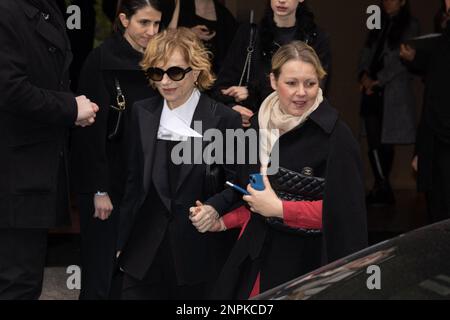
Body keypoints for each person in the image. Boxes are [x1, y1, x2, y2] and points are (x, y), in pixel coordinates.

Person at [192, 41, 367, 299]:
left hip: (310, 266)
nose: (301, 92)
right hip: (256, 259)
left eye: (310, 83)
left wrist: (281, 209)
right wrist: (222, 221)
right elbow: (252, 198)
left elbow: (344, 215)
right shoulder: (257, 127)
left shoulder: (336, 136)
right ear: (273, 81)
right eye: (292, 83)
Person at [116, 27, 242, 300]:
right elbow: (134, 183)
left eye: (175, 72)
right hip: (144, 252)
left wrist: (214, 207)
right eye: (156, 72)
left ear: (196, 73)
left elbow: (240, 184)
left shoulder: (223, 120)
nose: (165, 81)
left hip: (199, 255)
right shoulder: (142, 112)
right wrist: (121, 241)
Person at [0, 0, 98, 299]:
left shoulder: (46, 7)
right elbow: (9, 88)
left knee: (23, 278)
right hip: (15, 171)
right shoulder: (7, 10)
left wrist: (73, 109)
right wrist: (69, 108)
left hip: (32, 166)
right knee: (18, 282)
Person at [70, 0, 164, 300]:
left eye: (157, 24)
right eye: (143, 23)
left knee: (132, 275)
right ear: (124, 20)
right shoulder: (100, 60)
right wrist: (98, 189)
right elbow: (88, 132)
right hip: (106, 183)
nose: (151, 31)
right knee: (100, 271)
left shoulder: (159, 63)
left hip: (140, 182)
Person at [212, 0, 331, 128]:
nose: (281, 0)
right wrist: (234, 108)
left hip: (297, 129)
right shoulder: (249, 35)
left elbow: (316, 91)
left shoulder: (315, 40)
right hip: (253, 129)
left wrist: (251, 93)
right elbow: (221, 88)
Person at [358, 0, 419, 206]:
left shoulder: (410, 24)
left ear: (402, 2)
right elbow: (367, 48)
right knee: (373, 136)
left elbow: (402, 59)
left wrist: (378, 80)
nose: (387, 2)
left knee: (386, 139)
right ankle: (381, 186)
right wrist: (364, 75)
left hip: (392, 90)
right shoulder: (376, 18)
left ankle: (382, 189)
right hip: (370, 88)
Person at [400, 0, 450, 224]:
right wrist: (423, 149)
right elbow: (434, 95)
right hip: (436, 142)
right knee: (438, 217)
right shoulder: (445, 36)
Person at [175, 0, 238, 74]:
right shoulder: (178, 8)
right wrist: (188, 33)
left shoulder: (224, 14)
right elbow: (165, 37)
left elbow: (233, 53)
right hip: (182, 73)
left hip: (215, 76)